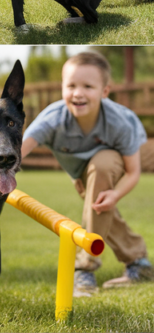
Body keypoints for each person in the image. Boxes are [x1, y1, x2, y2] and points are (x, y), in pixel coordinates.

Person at [22, 51, 154, 297]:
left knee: (102, 170)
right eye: (70, 85)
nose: (78, 93)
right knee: (100, 209)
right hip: (80, 173)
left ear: (105, 91)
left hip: (113, 163)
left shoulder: (119, 123)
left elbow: (134, 172)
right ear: (62, 88)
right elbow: (19, 150)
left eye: (88, 86)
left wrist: (115, 194)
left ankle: (85, 269)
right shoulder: (53, 118)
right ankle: (139, 263)